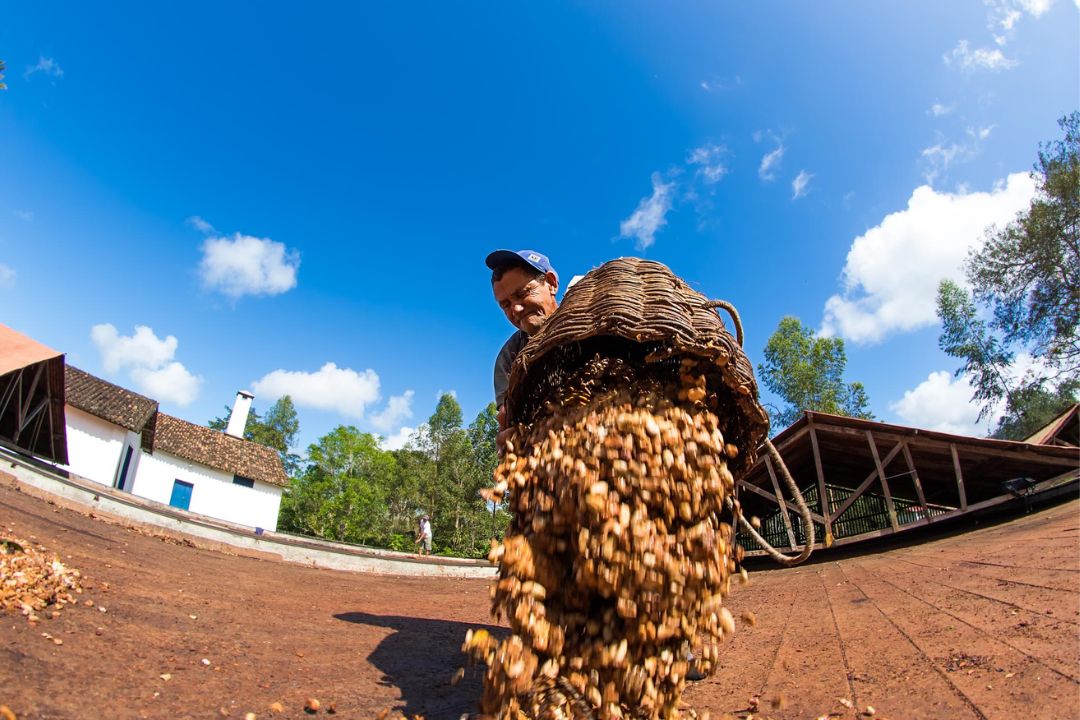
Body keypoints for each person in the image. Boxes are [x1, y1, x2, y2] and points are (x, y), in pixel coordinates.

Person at [485, 249, 560, 444]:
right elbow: (507, 418)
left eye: (523, 293)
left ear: (551, 284)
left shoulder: (592, 323)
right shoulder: (510, 357)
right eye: (505, 304)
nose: (516, 309)